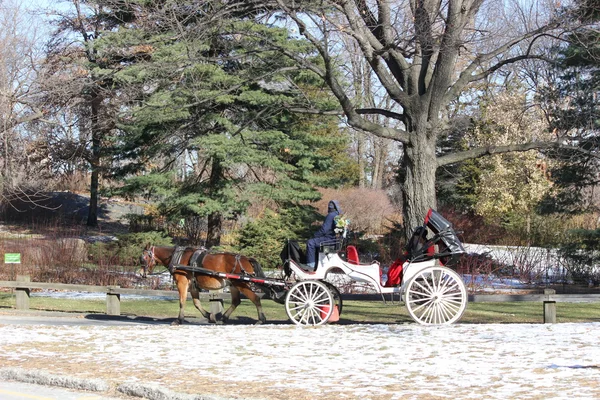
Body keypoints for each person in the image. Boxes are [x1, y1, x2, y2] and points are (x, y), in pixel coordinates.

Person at [306, 200, 342, 269]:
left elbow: (324, 230)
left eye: (329, 206)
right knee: (314, 242)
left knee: (310, 243)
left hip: (328, 239)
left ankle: (310, 266)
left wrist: (315, 235)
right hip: (333, 240)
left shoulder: (330, 215)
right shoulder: (336, 215)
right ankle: (315, 264)